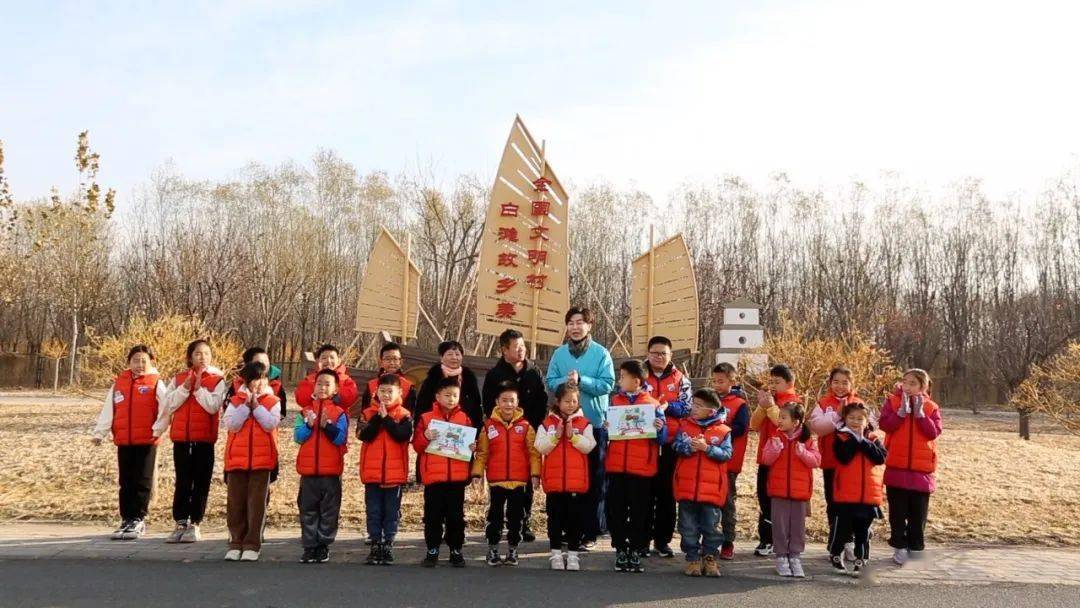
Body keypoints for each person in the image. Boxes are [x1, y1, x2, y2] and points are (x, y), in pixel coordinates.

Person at [545, 307, 615, 549]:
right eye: (571, 322)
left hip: (593, 425)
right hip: (563, 427)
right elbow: (550, 381)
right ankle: (566, 528)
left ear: (589, 326)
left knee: (594, 479)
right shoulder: (559, 354)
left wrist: (582, 381)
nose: (575, 327)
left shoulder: (601, 353)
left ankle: (590, 531)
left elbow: (608, 384)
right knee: (567, 479)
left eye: (580, 322)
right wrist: (566, 383)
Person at [91, 344, 168, 540]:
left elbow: (166, 409)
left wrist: (157, 429)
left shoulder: (156, 382)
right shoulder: (119, 383)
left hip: (147, 440)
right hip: (124, 440)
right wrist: (100, 433)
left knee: (142, 481)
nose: (140, 365)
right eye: (136, 360)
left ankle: (138, 519)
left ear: (151, 362)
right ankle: (126, 519)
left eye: (144, 361)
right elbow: (109, 409)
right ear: (128, 362)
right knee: (126, 482)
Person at [155, 339, 226, 543]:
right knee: (183, 480)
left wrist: (198, 390)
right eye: (198, 354)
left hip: (204, 439)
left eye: (206, 353)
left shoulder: (217, 379)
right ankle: (180, 521)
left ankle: (195, 522)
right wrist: (185, 388)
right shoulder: (178, 379)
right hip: (182, 439)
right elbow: (168, 404)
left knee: (201, 481)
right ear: (190, 357)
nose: (202, 357)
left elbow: (213, 407)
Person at [481, 329, 548, 543]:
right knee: (500, 479)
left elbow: (542, 400)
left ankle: (523, 522)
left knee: (525, 480)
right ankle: (496, 523)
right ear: (504, 350)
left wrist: (533, 428)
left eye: (523, 347)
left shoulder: (533, 371)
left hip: (527, 434)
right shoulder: (495, 375)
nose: (521, 351)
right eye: (516, 348)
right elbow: (488, 403)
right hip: (501, 434)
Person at [605, 359, 666, 573]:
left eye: (622, 376)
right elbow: (608, 432)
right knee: (617, 510)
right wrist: (607, 427)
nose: (619, 380)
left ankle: (636, 549)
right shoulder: (614, 401)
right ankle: (621, 548)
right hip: (617, 466)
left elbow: (661, 439)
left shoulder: (653, 404)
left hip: (642, 469)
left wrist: (660, 428)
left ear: (636, 380)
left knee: (641, 512)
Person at [472, 381, 541, 567]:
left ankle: (513, 550)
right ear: (497, 402)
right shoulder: (488, 427)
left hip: (519, 482)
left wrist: (535, 474)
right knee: (494, 518)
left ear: (517, 402)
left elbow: (534, 453)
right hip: (496, 482)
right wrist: (477, 475)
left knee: (516, 518)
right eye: (504, 400)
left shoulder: (526, 427)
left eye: (512, 400)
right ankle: (493, 549)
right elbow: (481, 454)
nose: (508, 404)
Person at [879, 368, 942, 566]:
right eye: (905, 382)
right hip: (897, 465)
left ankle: (915, 546)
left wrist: (921, 414)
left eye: (913, 384)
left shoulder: (931, 406)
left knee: (918, 513)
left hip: (921, 470)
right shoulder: (893, 401)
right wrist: (900, 413)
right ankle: (899, 545)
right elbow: (885, 425)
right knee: (897, 512)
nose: (907, 387)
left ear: (922, 387)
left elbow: (933, 433)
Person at [668, 388, 732, 578]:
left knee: (711, 527)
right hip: (687, 489)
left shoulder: (723, 431)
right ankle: (692, 559)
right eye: (693, 404)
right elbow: (676, 446)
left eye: (698, 406)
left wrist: (707, 448)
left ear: (711, 411)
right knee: (687, 527)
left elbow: (726, 454)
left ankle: (710, 558)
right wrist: (690, 447)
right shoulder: (685, 426)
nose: (693, 408)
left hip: (711, 491)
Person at [413, 377, 476, 567]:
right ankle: (432, 549)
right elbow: (417, 446)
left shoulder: (464, 418)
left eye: (455, 395)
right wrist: (425, 437)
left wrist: (472, 447)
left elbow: (470, 446)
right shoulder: (426, 418)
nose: (451, 399)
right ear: (437, 396)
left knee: (456, 516)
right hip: (434, 477)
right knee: (433, 515)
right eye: (447, 395)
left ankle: (456, 549)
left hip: (457, 478)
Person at [222, 361, 281, 562]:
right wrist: (245, 407)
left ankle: (252, 544)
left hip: (262, 461)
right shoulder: (236, 400)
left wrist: (256, 407)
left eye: (262, 379)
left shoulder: (272, 401)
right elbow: (231, 424)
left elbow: (270, 423)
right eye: (253, 380)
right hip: (236, 460)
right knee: (235, 502)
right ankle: (235, 542)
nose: (258, 384)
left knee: (256, 504)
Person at [535, 383, 596, 571]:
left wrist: (573, 437)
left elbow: (589, 446)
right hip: (554, 482)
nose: (571, 404)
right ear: (557, 401)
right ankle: (555, 554)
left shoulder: (584, 423)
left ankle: (573, 555)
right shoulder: (547, 424)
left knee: (574, 520)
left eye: (575, 401)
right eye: (567, 401)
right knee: (555, 519)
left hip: (575, 483)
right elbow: (540, 447)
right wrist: (556, 437)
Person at [809, 365, 866, 563]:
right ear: (830, 383)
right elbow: (817, 427)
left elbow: (868, 426)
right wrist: (836, 414)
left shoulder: (858, 403)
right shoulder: (824, 403)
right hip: (831, 463)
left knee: (850, 504)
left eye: (845, 382)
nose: (840, 386)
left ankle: (849, 541)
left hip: (853, 466)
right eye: (836, 382)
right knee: (833, 503)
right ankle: (835, 543)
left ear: (852, 384)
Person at [356, 374, 413, 565]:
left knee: (391, 512)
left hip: (394, 474)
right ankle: (375, 543)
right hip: (372, 473)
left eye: (390, 391)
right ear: (376, 392)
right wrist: (378, 419)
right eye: (383, 391)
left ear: (399, 393)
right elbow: (363, 435)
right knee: (373, 510)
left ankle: (388, 543)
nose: (386, 395)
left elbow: (401, 435)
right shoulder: (367, 413)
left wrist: (387, 418)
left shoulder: (404, 415)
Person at [643, 336, 691, 558]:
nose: (659, 357)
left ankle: (662, 540)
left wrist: (667, 406)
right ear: (648, 353)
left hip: (671, 443)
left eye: (663, 353)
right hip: (644, 442)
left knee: (666, 493)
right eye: (655, 353)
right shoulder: (640, 375)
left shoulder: (680, 378)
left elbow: (687, 407)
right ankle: (641, 539)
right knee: (644, 493)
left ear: (670, 355)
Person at [294, 369, 349, 564]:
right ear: (313, 387)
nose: (322, 387)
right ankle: (309, 546)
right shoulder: (304, 411)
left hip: (330, 472)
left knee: (329, 511)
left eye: (327, 384)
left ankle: (323, 545)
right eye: (319, 384)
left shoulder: (340, 413)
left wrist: (327, 427)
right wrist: (308, 425)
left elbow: (341, 438)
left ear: (335, 390)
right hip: (308, 472)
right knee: (307, 509)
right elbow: (298, 437)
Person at [762, 402, 820, 578]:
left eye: (783, 417)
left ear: (796, 422)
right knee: (779, 525)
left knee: (797, 526)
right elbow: (765, 459)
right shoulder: (775, 437)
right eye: (779, 416)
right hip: (778, 491)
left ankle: (795, 557)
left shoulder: (807, 439)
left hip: (800, 491)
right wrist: (775, 450)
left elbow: (816, 461)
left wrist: (803, 453)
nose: (779, 420)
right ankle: (781, 557)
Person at [748, 363, 800, 557]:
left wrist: (770, 407)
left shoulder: (793, 402)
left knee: (775, 500)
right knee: (763, 497)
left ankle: (773, 539)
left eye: (777, 382)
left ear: (789, 383)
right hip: (766, 456)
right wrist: (762, 407)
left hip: (784, 460)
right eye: (771, 381)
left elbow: (783, 423)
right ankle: (766, 538)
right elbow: (754, 424)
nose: (773, 385)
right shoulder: (771, 400)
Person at [829, 401, 887, 576]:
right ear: (844, 419)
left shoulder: (873, 439)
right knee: (842, 529)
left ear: (866, 420)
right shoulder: (841, 437)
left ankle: (861, 561)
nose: (855, 422)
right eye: (851, 418)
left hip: (868, 495)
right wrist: (855, 439)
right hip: (846, 495)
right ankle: (835, 554)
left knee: (863, 531)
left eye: (860, 418)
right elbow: (844, 458)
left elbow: (880, 458)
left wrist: (863, 441)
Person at [224, 347, 288, 487]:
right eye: (259, 362)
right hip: (239, 449)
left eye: (266, 362)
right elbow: (228, 419)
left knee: (260, 493)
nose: (263, 366)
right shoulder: (236, 389)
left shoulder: (276, 388)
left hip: (264, 447)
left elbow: (279, 416)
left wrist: (259, 408)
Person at [710, 363, 750, 560]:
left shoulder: (740, 404)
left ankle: (728, 541)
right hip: (709, 459)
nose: (717, 385)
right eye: (715, 381)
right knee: (709, 502)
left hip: (729, 461)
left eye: (721, 381)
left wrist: (719, 429)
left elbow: (741, 428)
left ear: (731, 382)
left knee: (727, 502)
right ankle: (709, 541)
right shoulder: (710, 400)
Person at [414, 340, 483, 427]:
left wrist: (476, 430)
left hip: (462, 426)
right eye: (450, 354)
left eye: (457, 354)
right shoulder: (433, 378)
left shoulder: (469, 378)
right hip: (435, 425)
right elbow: (422, 405)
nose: (454, 357)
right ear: (441, 358)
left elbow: (476, 406)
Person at [353, 342, 417, 418]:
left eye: (395, 359)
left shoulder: (408, 386)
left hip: (397, 426)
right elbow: (364, 412)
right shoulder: (371, 385)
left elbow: (410, 416)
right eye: (388, 359)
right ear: (381, 362)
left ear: (401, 362)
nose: (392, 363)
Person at [294, 343, 359, 413]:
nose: (328, 361)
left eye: (332, 357)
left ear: (338, 361)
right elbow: (301, 398)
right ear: (317, 360)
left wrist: (332, 395)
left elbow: (351, 397)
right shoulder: (309, 379)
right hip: (312, 418)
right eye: (324, 358)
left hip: (337, 419)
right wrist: (317, 394)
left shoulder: (346, 380)